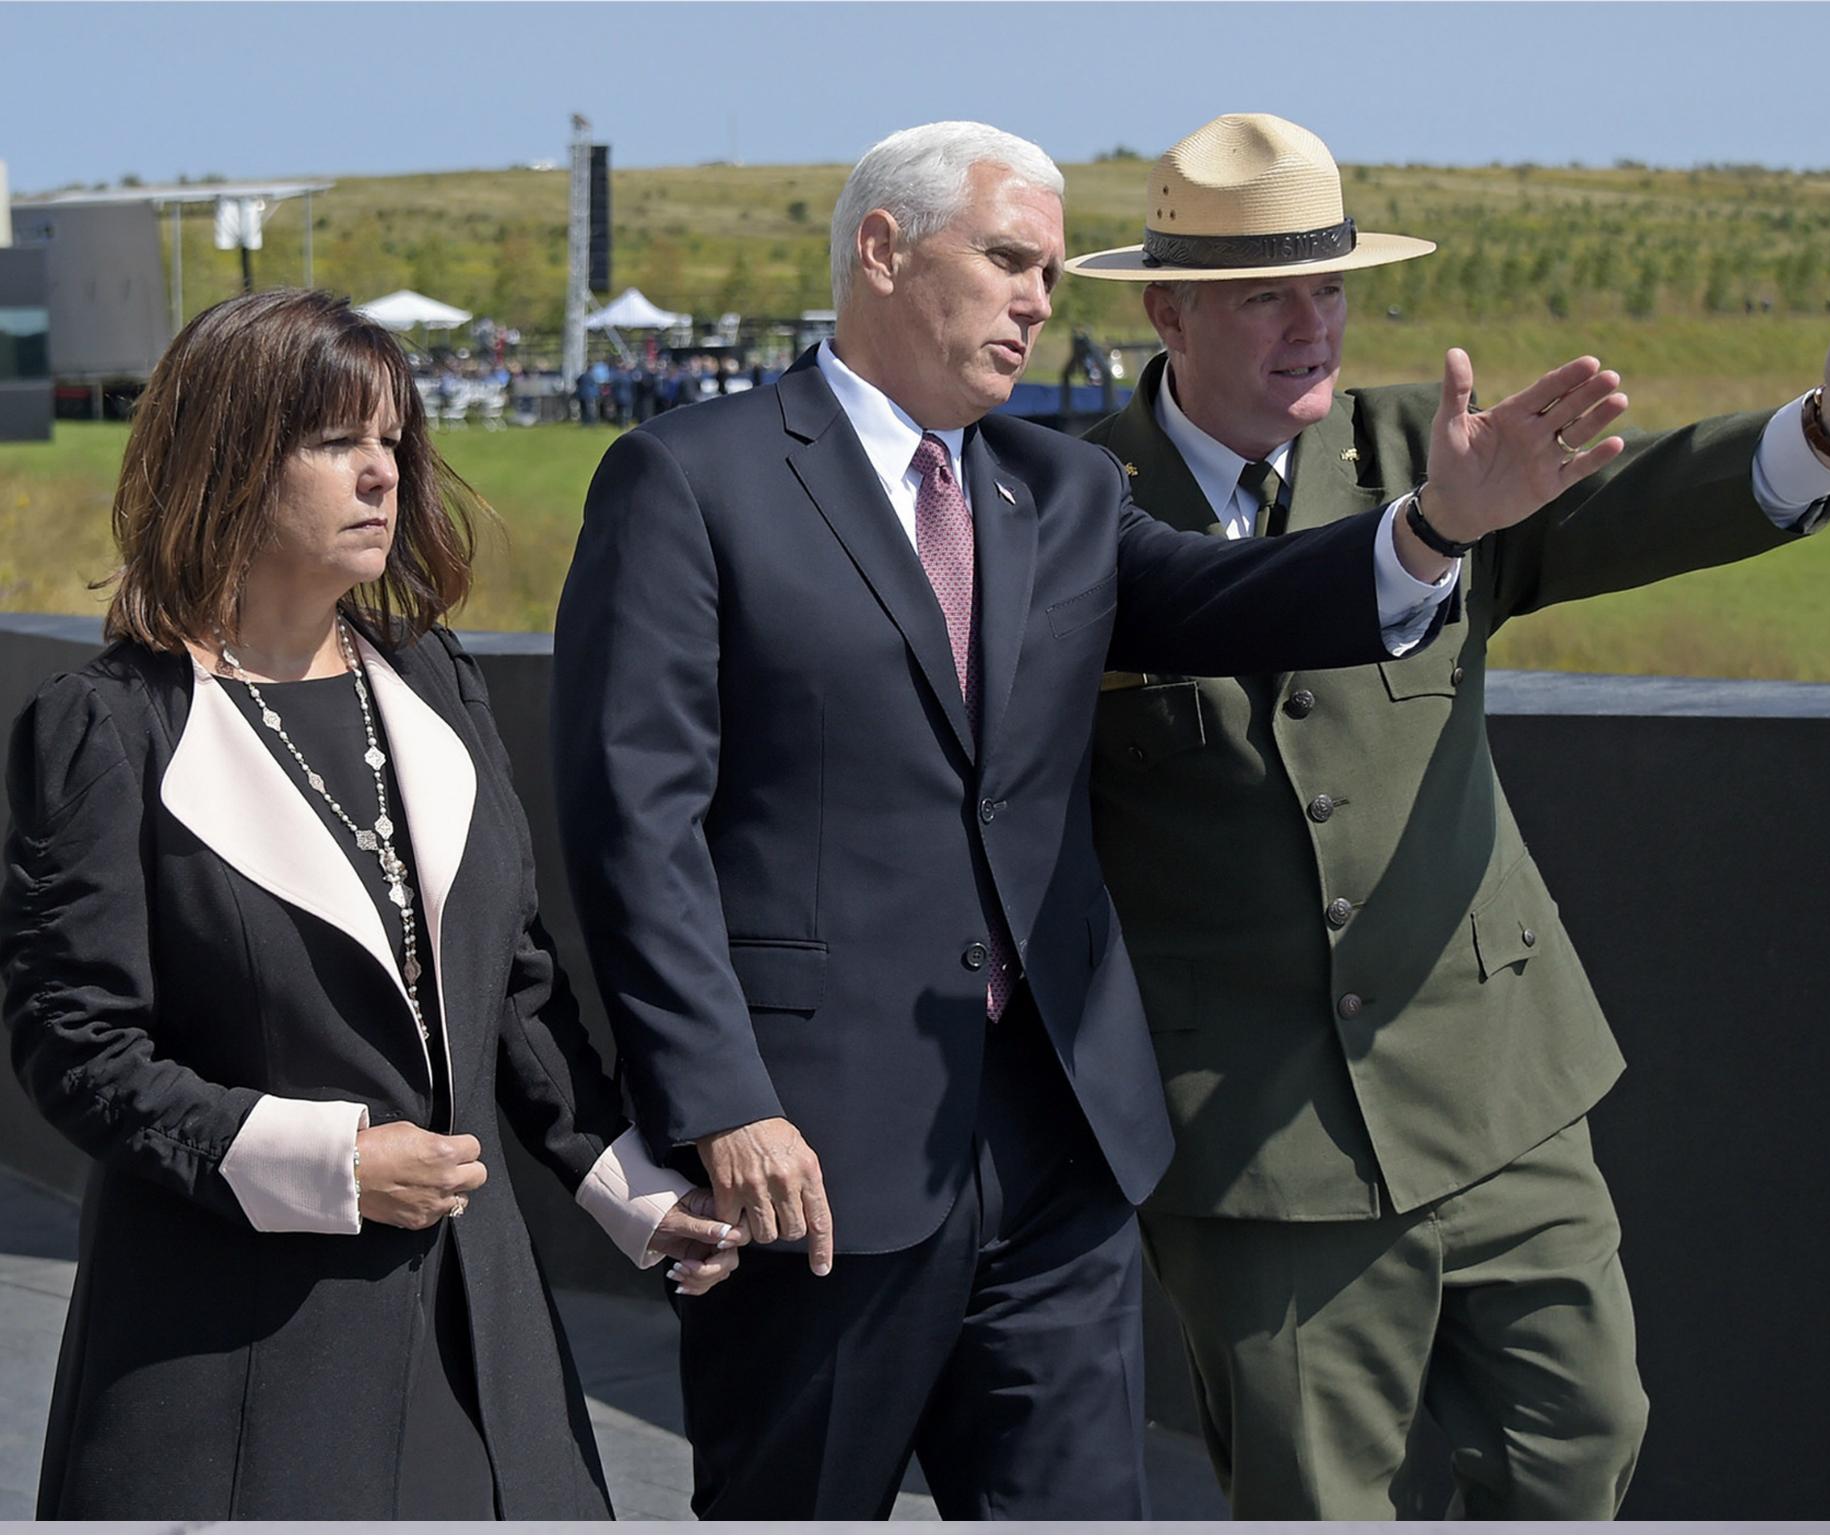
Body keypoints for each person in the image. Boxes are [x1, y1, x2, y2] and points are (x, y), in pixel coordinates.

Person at [549, 119, 1638, 1520]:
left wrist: (1430, 528)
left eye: (1052, 274)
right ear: (882, 249)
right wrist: (721, 1102)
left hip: (1058, 1158)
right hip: (811, 1170)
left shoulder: (1058, 486)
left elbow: (1231, 604)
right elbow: (636, 822)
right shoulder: (689, 479)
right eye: (1009, 260)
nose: (1039, 300)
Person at [1065, 113, 1830, 1520]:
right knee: (1311, 1499)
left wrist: (1826, 430)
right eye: (1267, 296)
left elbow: (1635, 509)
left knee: (1582, 1440)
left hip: (1497, 1089)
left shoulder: (1428, 450)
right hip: (1253, 1145)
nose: (1313, 328)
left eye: (1332, 287)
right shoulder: (1068, 509)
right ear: (1168, 308)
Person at [0, 289, 745, 1521]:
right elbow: (73, 1043)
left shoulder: (431, 682)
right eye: (335, 442)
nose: (380, 476)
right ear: (228, 458)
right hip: (237, 1352)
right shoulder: (108, 726)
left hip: (482, 1329)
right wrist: (330, 1164)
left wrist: (638, 1195)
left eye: (392, 440)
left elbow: (510, 987)